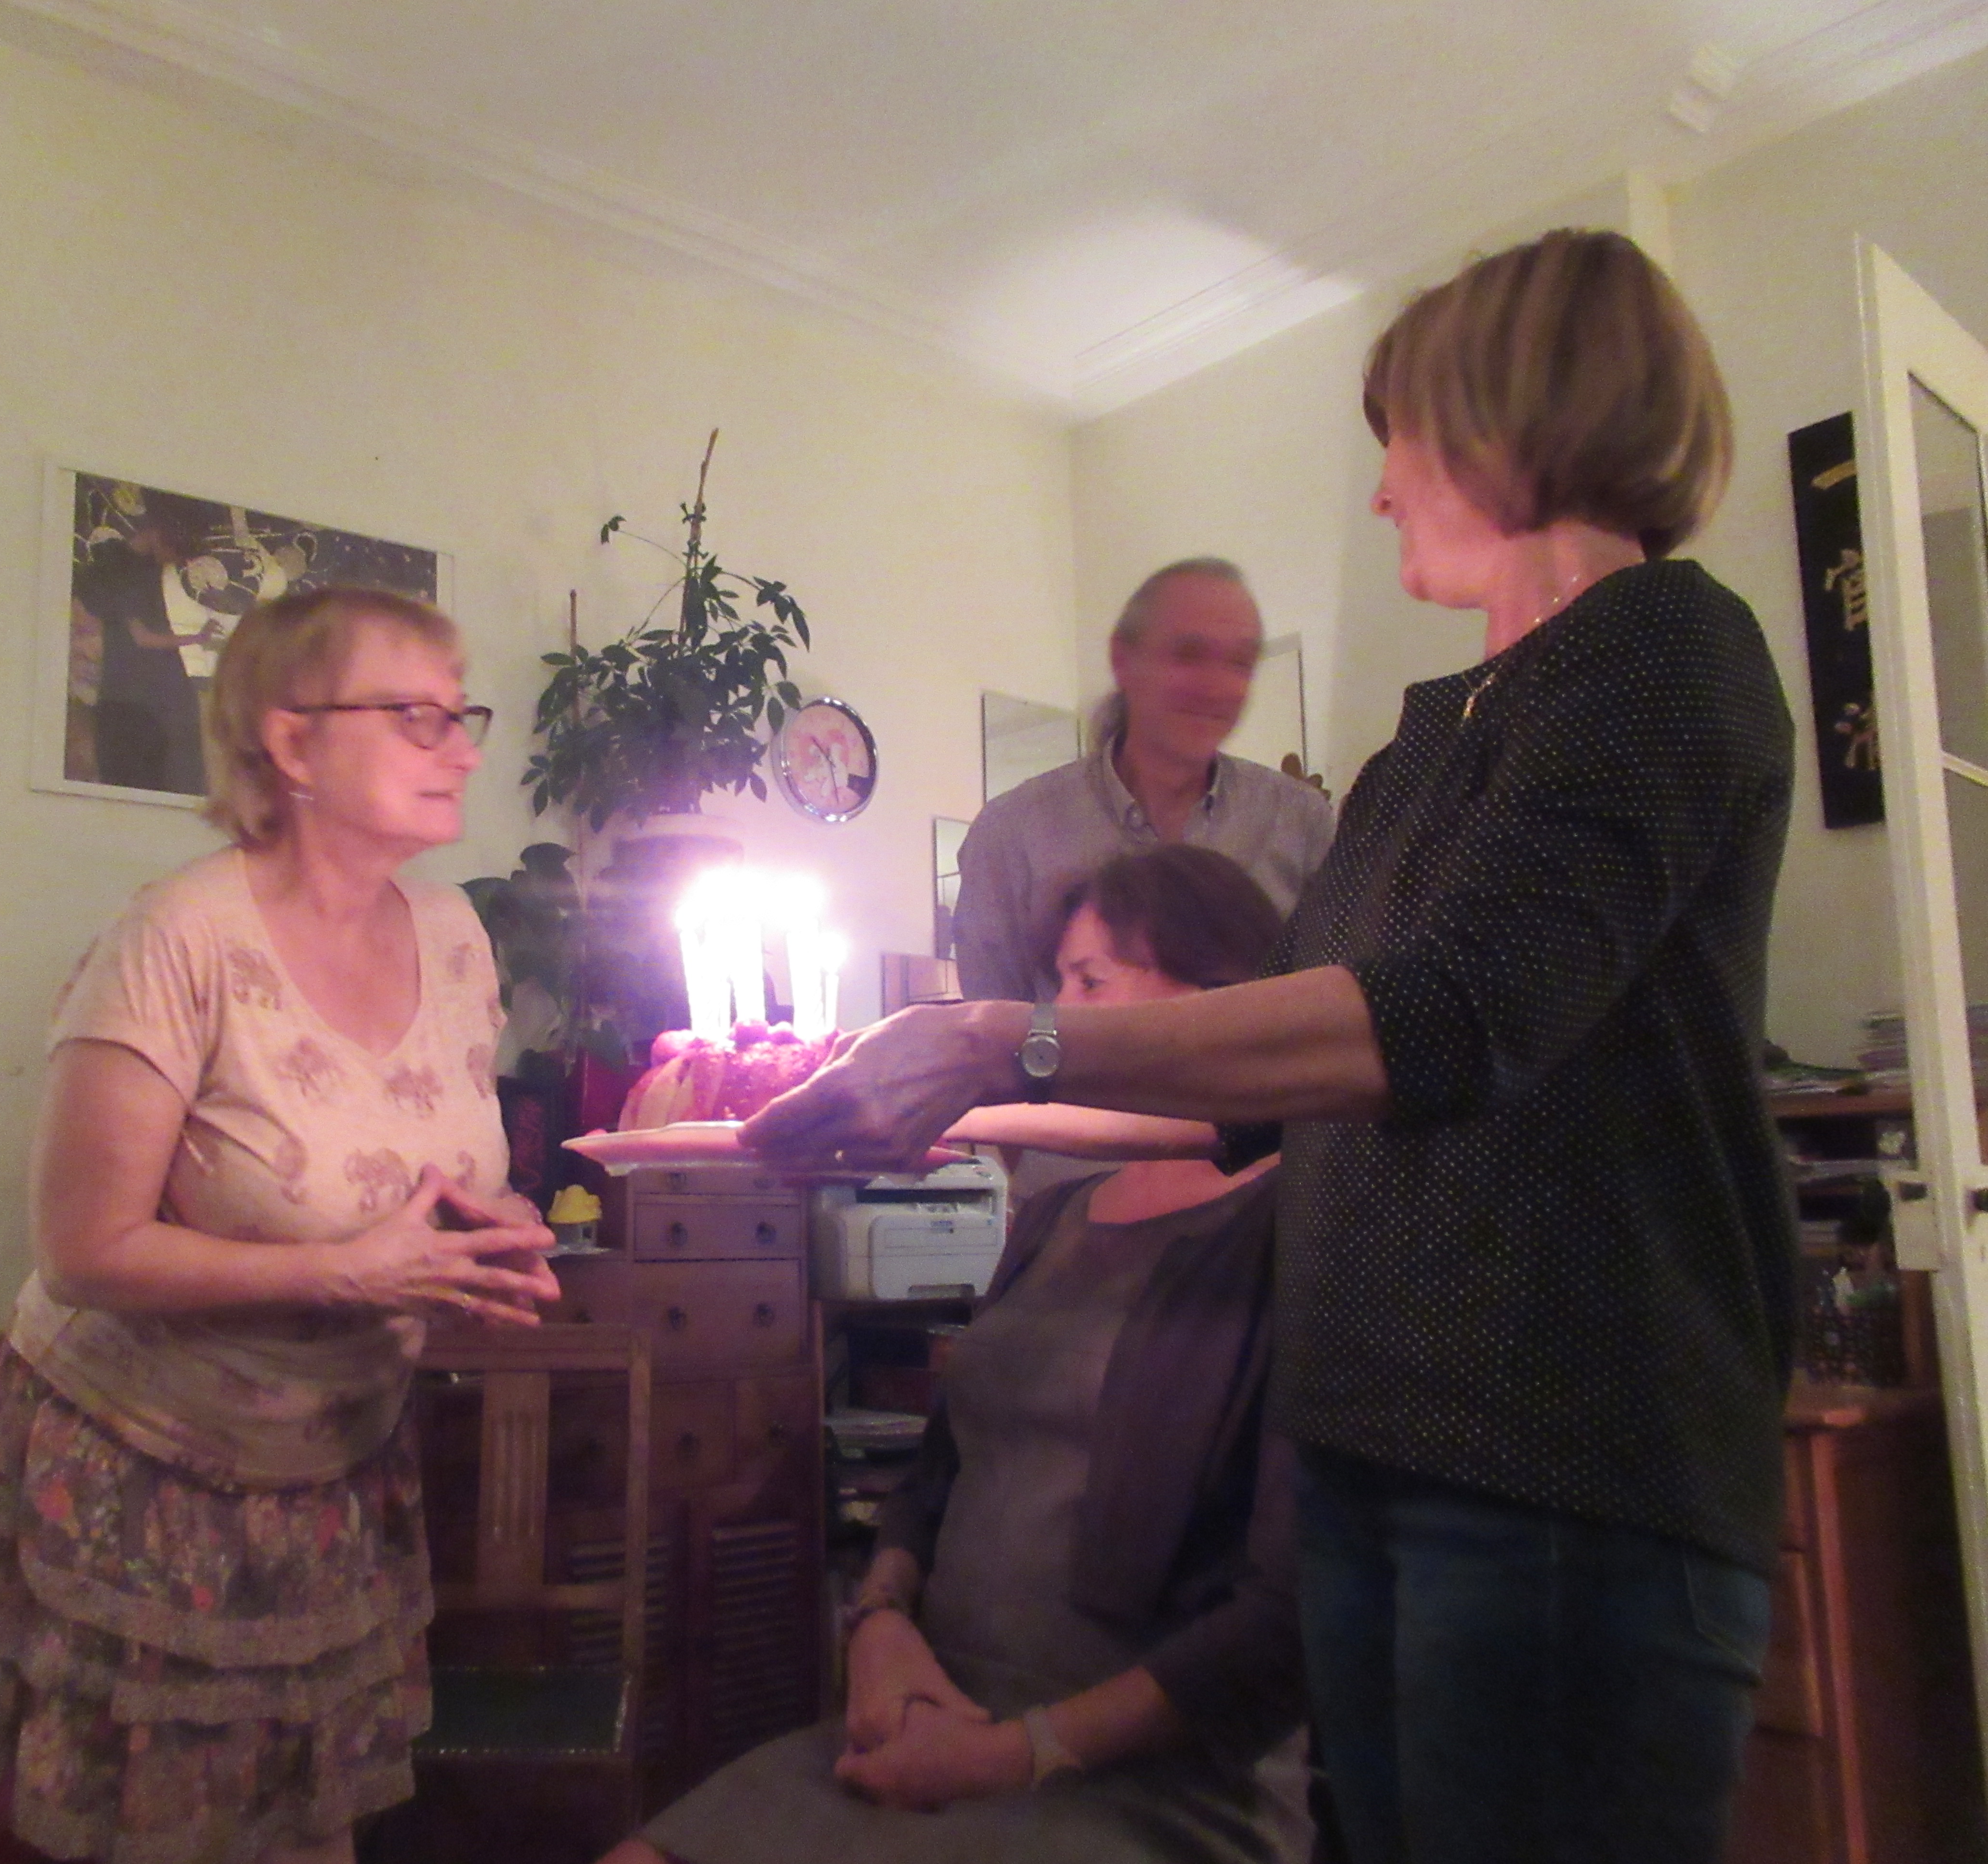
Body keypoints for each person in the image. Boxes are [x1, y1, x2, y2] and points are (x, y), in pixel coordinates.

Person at [744, 229, 1793, 1864]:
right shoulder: (1420, 752)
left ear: (1507, 418)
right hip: (1370, 1440)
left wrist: (995, 1040)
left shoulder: (1663, 646)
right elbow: (1249, 1101)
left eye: (1403, 434)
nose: (1381, 488)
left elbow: (1444, 1014)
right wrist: (926, 1105)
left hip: (1560, 1452)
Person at [0, 585, 560, 1864]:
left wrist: (492, 1229)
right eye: (417, 715)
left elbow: (426, 1156)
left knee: (307, 1830)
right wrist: (347, 1272)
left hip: (340, 1467)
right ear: (291, 740)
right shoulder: (178, 936)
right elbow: (83, 1250)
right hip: (150, 1465)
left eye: (463, 715)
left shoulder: (455, 933)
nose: (462, 748)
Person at [606, 846, 1311, 1864]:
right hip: (927, 1720)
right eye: (1056, 982)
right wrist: (881, 1622)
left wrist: (1019, 1753)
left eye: (1089, 982)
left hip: (1142, 1776)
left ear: (1215, 997)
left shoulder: (1293, 1231)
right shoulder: (1055, 1217)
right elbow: (938, 1472)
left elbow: (1285, 1621)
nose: (1054, 1017)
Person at [953, 558, 1333, 1005]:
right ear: (1124, 661)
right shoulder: (1010, 836)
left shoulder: (1300, 822)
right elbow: (997, 1026)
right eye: (1189, 654)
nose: (1217, 687)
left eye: (1240, 663)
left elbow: (1325, 1010)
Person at [78, 488, 215, 795]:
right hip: (135, 690)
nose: (173, 561)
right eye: (174, 551)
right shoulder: (121, 568)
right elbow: (143, 638)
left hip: (146, 687)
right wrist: (197, 637)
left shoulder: (139, 568)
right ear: (160, 536)